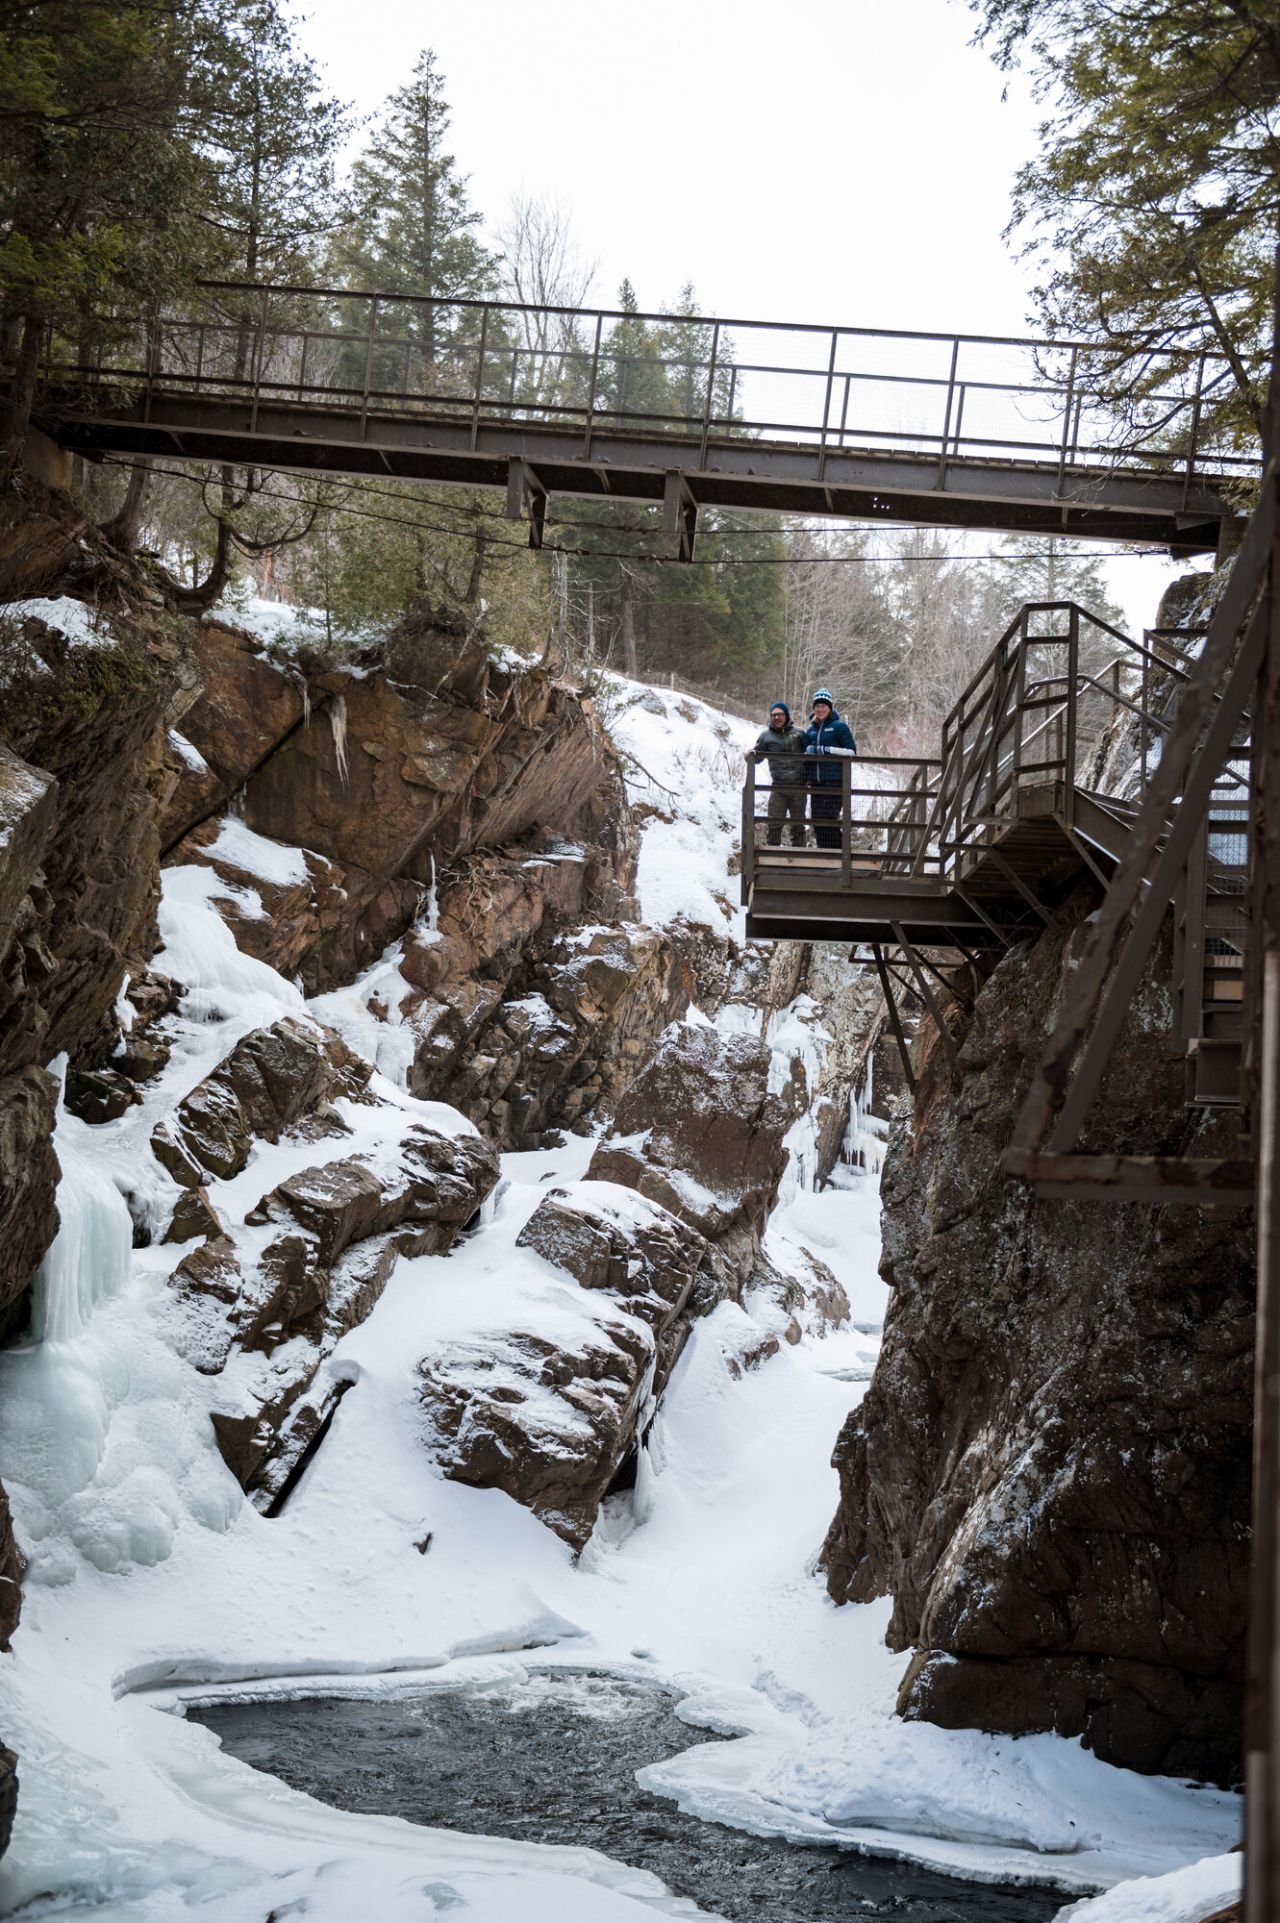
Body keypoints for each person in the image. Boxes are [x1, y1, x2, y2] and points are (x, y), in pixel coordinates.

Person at [804, 687, 857, 851]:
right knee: (817, 821)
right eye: (817, 706)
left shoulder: (839, 727)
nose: (820, 709)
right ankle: (824, 856)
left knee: (829, 820)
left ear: (830, 708)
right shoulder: (811, 729)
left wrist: (826, 750)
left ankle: (840, 856)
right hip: (816, 782)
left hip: (835, 781)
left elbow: (851, 752)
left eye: (823, 706)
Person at [754, 700, 808, 847]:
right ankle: (771, 858)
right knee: (774, 824)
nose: (776, 718)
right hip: (778, 787)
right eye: (773, 715)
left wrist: (809, 778)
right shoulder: (766, 736)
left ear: (786, 715)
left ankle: (800, 858)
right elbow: (757, 758)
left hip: (799, 787)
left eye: (779, 714)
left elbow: (810, 755)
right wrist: (751, 754)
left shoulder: (799, 734)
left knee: (798, 825)